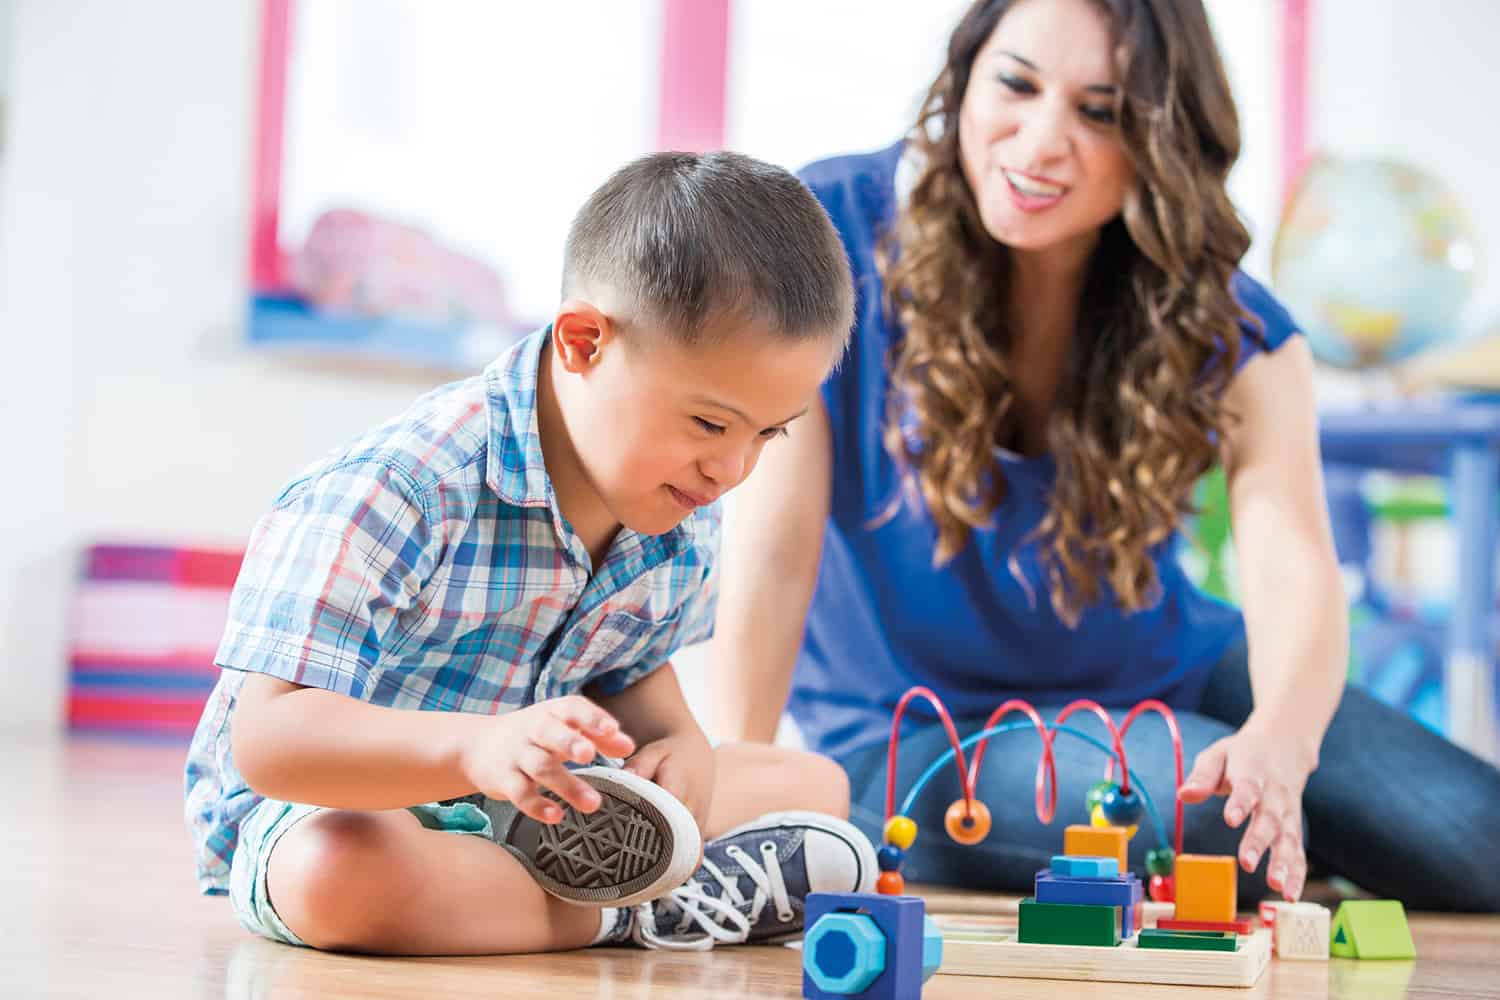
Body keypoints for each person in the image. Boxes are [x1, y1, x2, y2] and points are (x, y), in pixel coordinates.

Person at [710, 0, 1500, 911]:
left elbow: (1291, 563)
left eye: (1102, 110)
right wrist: (746, 782)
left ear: (1162, 140)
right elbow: (773, 551)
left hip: (1169, 668)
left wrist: (1281, 739)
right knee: (1215, 827)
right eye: (1015, 84)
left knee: (1476, 841)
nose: (1042, 143)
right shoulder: (831, 233)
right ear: (966, 75)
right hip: (915, 725)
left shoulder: (1222, 316)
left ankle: (1289, 831)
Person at [184, 150, 881, 957]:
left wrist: (681, 747)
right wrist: (473, 748)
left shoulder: (678, 507)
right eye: (710, 424)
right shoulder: (404, 486)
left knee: (818, 786)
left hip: (541, 805)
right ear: (584, 342)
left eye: (770, 432)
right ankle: (638, 914)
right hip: (343, 810)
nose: (733, 470)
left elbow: (633, 672)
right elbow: (269, 743)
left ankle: (570, 889)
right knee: (341, 876)